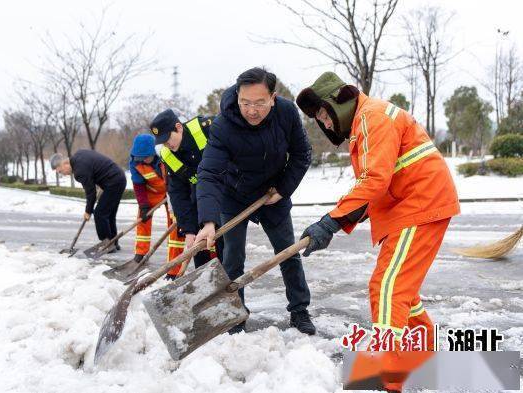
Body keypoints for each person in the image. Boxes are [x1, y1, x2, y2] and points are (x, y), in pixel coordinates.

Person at [296, 71, 460, 391]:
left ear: (338, 103)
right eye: (319, 119)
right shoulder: (364, 124)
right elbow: (374, 186)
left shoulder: (372, 118)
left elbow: (374, 181)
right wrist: (333, 223)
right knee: (402, 292)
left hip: (419, 203)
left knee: (387, 288)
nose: (325, 124)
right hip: (410, 206)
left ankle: (392, 379)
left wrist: (331, 220)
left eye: (324, 115)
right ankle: (424, 356)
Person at [194, 67, 315, 335]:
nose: (252, 110)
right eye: (245, 102)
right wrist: (208, 220)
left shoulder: (286, 113)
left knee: (287, 252)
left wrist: (283, 190)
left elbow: (301, 154)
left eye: (259, 103)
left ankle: (299, 310)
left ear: (273, 97)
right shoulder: (223, 124)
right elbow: (210, 173)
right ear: (237, 96)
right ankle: (235, 316)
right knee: (232, 257)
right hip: (234, 194)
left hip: (273, 191)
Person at [149, 109, 223, 278]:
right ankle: (205, 287)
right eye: (163, 142)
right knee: (198, 246)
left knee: (226, 248)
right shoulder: (168, 156)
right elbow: (178, 195)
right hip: (199, 199)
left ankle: (228, 288)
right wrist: (189, 230)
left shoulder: (205, 128)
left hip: (227, 193)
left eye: (168, 139)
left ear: (178, 127)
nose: (167, 145)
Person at [128, 134, 184, 279]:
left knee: (175, 226)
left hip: (172, 191)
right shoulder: (135, 163)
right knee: (142, 218)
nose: (144, 160)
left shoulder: (165, 156)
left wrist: (171, 199)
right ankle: (140, 253)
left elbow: (175, 180)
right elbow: (138, 186)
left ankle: (173, 267)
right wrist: (144, 205)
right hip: (151, 192)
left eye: (147, 157)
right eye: (141, 157)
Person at [50, 150, 127, 251]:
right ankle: (113, 243)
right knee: (108, 214)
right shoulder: (79, 154)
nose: (63, 174)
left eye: (60, 171)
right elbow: (96, 168)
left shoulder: (79, 171)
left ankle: (107, 245)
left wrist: (88, 211)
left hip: (113, 182)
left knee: (100, 214)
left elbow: (91, 193)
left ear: (65, 163)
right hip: (118, 177)